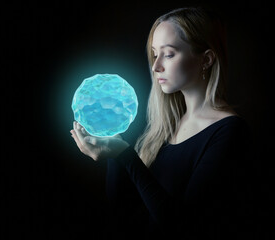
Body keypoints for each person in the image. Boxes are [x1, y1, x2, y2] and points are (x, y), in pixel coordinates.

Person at [71, 7, 251, 239]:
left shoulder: (230, 133)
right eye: (155, 54)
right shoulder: (164, 128)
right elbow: (123, 209)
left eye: (168, 54)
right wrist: (113, 154)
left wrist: (125, 155)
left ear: (206, 59)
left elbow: (181, 227)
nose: (156, 67)